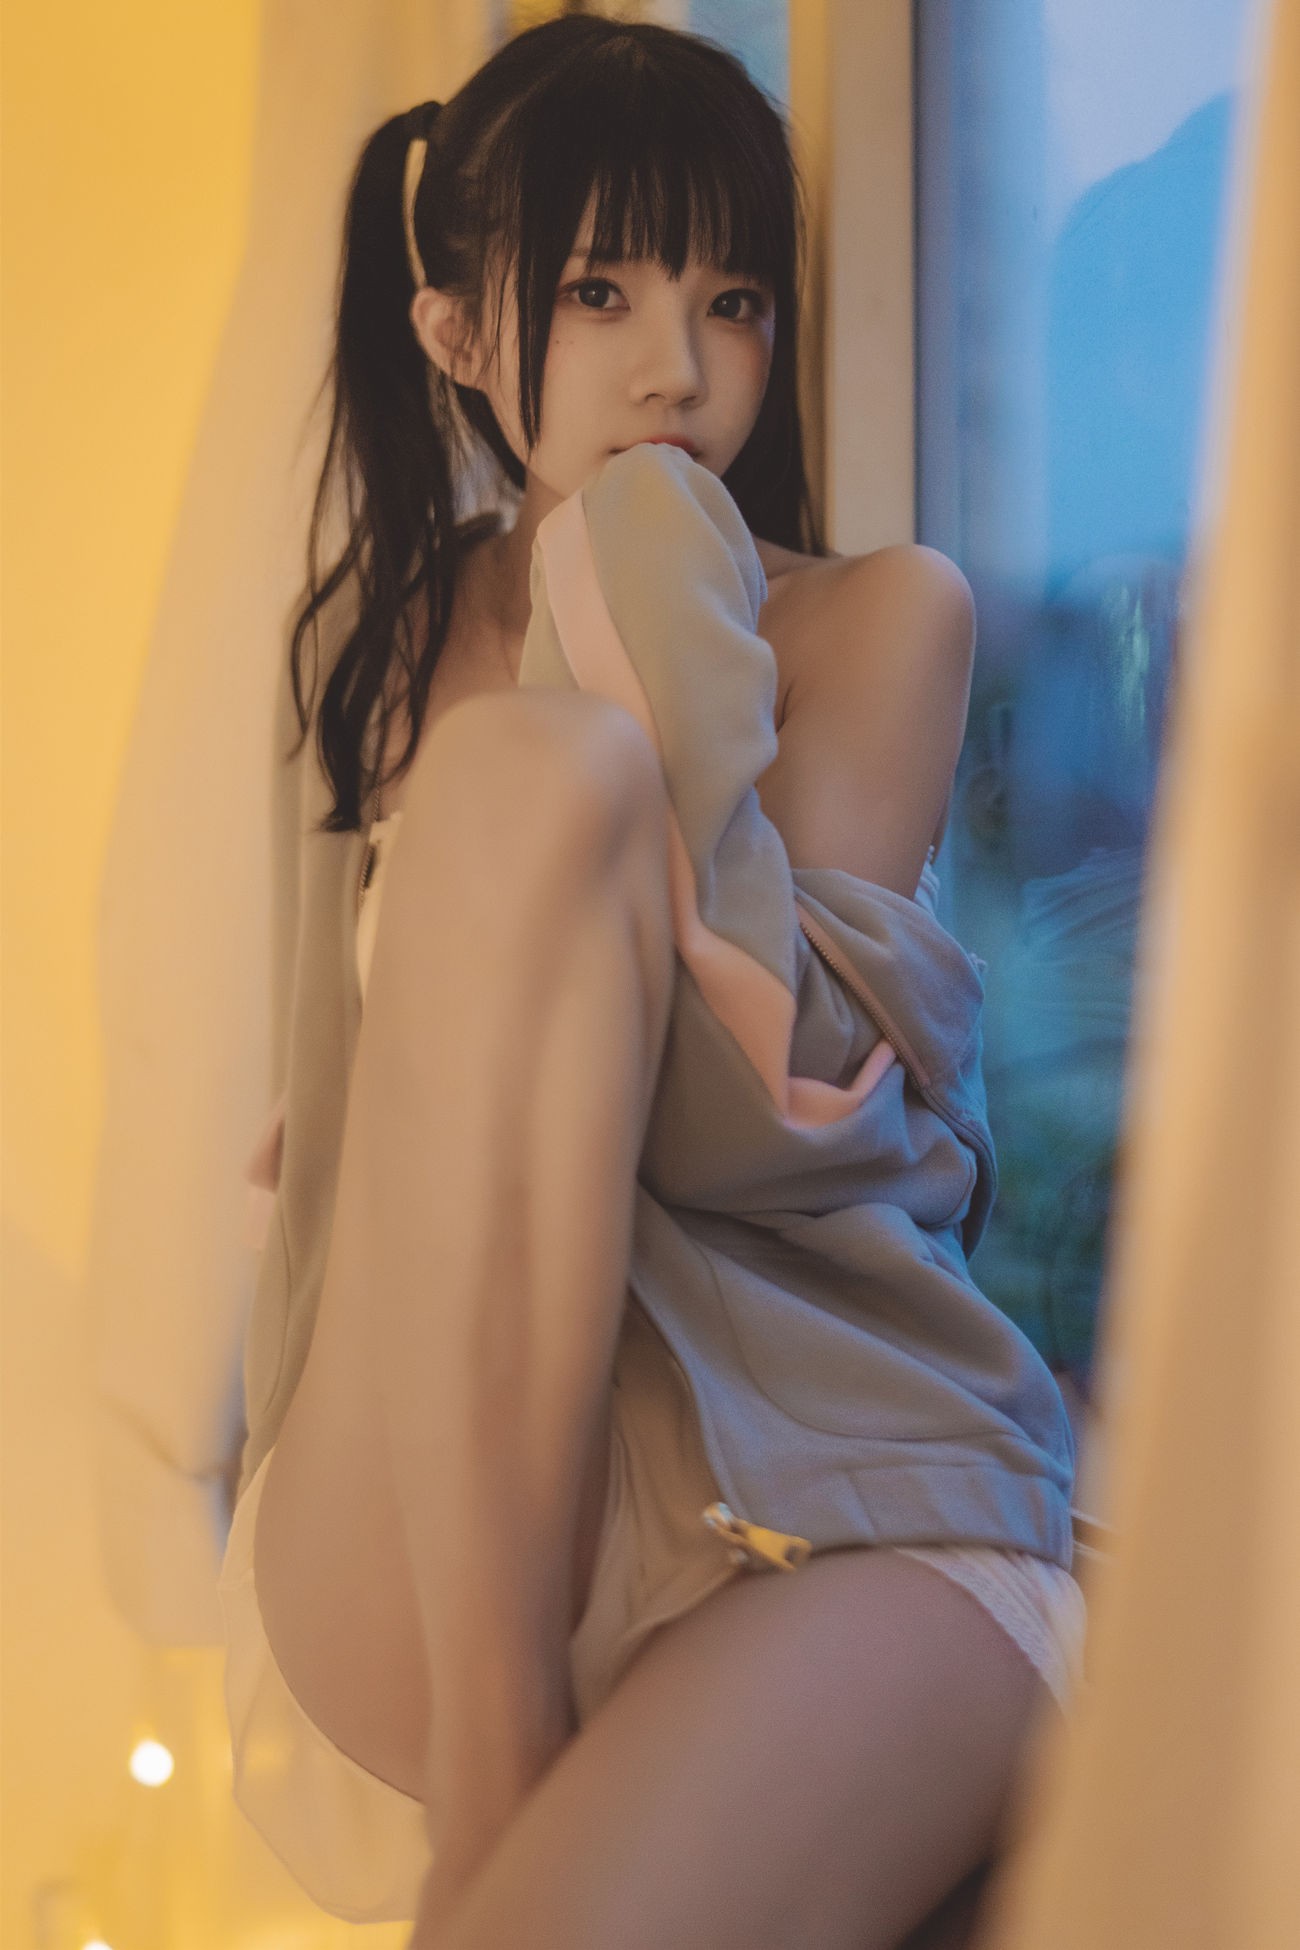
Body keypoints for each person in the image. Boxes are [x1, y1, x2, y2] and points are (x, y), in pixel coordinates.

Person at [217, 16, 1087, 1948]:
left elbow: (747, 1133)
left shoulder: (881, 619)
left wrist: (645, 580)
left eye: (733, 300)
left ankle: (504, 1823)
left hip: (825, 1472)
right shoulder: (374, 646)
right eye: (599, 291)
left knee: (548, 774)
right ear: (459, 330)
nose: (679, 366)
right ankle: (497, 1749)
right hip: (436, 1518)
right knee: (519, 782)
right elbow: (340, 1161)